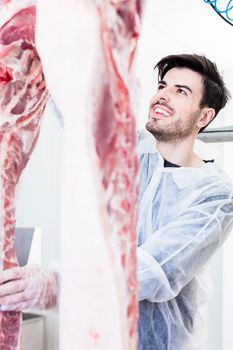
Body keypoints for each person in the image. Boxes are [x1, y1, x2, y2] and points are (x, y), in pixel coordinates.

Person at [0, 54, 233, 350]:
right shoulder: (131, 150)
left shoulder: (215, 194)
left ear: (204, 117)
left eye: (180, 91)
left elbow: (154, 269)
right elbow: (83, 118)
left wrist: (56, 285)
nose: (162, 95)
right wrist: (47, 54)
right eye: (163, 86)